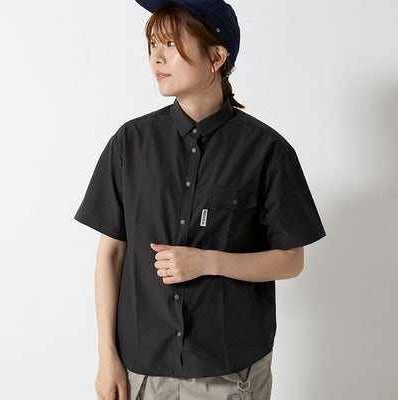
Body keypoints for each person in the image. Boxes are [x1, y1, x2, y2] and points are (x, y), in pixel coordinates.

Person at [74, 1, 326, 399]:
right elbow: (111, 255)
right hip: (142, 371)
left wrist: (208, 261)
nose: (157, 57)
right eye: (153, 44)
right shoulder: (130, 144)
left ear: (216, 57)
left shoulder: (266, 151)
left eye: (171, 44)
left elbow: (291, 260)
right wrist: (107, 356)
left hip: (228, 374)